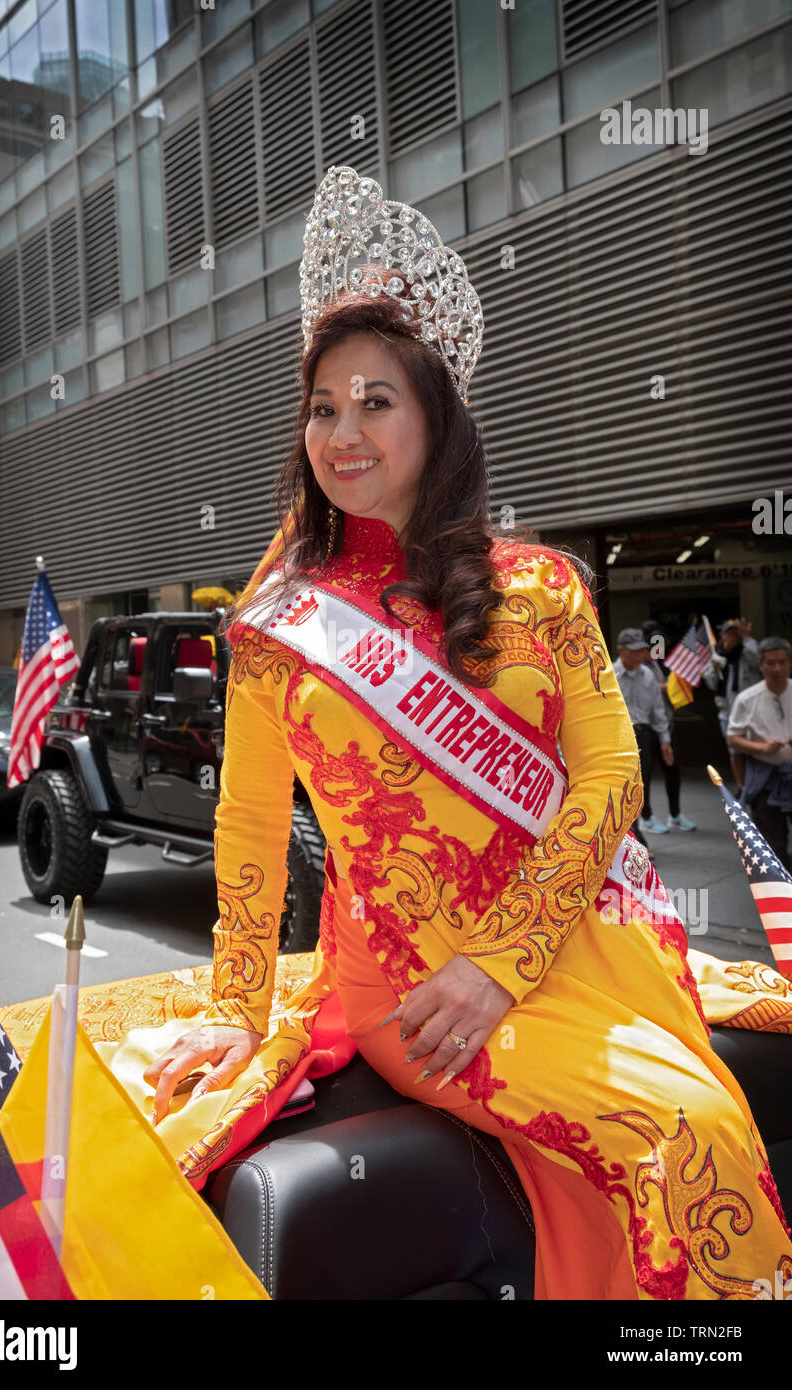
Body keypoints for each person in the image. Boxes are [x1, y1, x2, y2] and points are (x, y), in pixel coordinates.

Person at [115, 167, 790, 1300]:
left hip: (564, 952)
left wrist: (504, 960)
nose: (343, 430)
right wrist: (234, 1009)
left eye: (376, 399)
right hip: (409, 988)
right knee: (673, 1129)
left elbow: (609, 776)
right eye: (322, 406)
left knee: (707, 1109)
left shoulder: (539, 589)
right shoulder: (281, 621)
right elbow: (245, 822)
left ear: (437, 412)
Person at [727, 637, 792, 870]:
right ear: (761, 665)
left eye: (782, 662)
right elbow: (733, 738)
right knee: (772, 843)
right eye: (771, 663)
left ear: (789, 664)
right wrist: (761, 748)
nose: (777, 668)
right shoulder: (747, 698)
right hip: (764, 776)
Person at [611, 630, 675, 837]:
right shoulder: (609, 674)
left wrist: (665, 740)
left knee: (642, 783)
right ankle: (634, 834)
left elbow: (658, 710)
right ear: (621, 650)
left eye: (642, 650)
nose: (640, 655)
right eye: (635, 651)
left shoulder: (648, 675)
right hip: (619, 737)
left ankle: (639, 828)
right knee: (623, 786)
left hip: (644, 734)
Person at [640, 620, 696, 831]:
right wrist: (666, 687)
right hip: (644, 727)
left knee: (672, 770)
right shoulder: (638, 666)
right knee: (644, 775)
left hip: (664, 725)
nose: (659, 650)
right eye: (656, 646)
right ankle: (646, 818)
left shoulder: (656, 664)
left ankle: (675, 815)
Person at [704, 618, 761, 792]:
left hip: (750, 710)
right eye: (728, 633)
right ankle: (741, 785)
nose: (731, 636)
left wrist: (746, 639)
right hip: (727, 710)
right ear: (722, 635)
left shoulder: (748, 650)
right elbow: (712, 683)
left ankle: (755, 784)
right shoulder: (719, 653)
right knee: (734, 749)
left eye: (735, 632)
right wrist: (714, 668)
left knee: (752, 748)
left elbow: (757, 661)